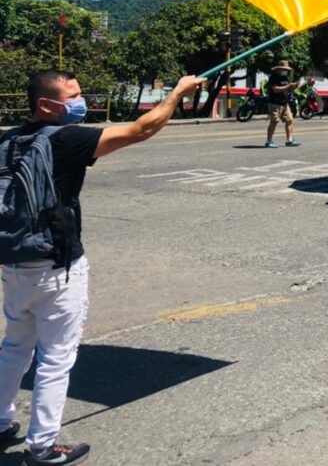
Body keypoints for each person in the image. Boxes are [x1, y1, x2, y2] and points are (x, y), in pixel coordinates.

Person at [0, 69, 203, 465]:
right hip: (57, 267)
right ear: (46, 104)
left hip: (13, 262)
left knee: (14, 347)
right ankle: (42, 445)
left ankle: (1, 420)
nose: (81, 102)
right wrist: (179, 91)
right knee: (56, 357)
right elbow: (143, 128)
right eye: (72, 96)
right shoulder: (67, 139)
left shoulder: (7, 140)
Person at [265, 60, 301, 148]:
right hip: (275, 103)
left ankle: (289, 140)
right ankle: (269, 141)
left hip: (285, 103)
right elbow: (275, 89)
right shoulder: (273, 77)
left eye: (286, 69)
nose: (285, 71)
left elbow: (288, 89)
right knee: (274, 122)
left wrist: (293, 87)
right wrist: (288, 86)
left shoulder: (285, 78)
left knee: (289, 120)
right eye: (283, 69)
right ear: (278, 69)